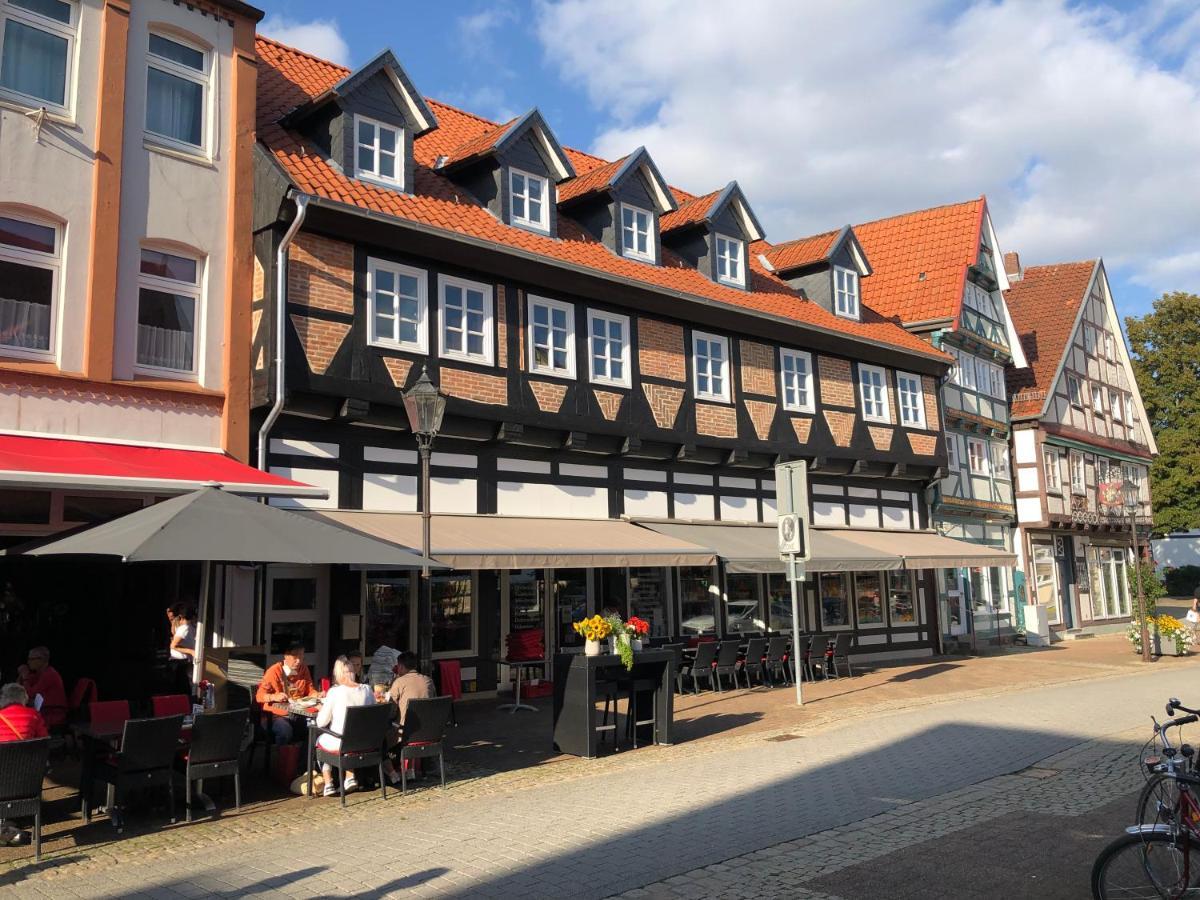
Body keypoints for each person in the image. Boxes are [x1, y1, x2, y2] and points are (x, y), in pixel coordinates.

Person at [315, 656, 374, 797]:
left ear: (337, 674)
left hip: (342, 742)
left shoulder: (334, 692)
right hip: (365, 741)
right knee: (349, 735)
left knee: (319, 739)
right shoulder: (367, 689)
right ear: (353, 671)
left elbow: (321, 722)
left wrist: (321, 708)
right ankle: (349, 777)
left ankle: (328, 782)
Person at [0, 683, 46, 848]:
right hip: (27, 783)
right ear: (23, 699)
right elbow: (44, 743)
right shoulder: (34, 716)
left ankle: (4, 827)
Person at [255, 644, 317, 744]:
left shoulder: (303, 669)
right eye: (295, 657)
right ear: (286, 656)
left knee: (314, 728)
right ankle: (281, 757)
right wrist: (274, 696)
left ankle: (303, 757)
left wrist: (317, 695)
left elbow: (310, 691)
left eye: (301, 656)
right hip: (275, 716)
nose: (299, 661)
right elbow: (259, 696)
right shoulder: (274, 671)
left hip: (297, 714)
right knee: (285, 731)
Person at [17, 646, 65, 729]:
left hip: (52, 713)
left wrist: (25, 676)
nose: (28, 662)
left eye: (31, 659)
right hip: (43, 711)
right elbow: (19, 687)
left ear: (42, 660)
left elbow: (30, 694)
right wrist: (22, 675)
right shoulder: (40, 673)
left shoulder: (49, 674)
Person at [167, 604, 196, 694]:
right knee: (183, 690)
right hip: (179, 662)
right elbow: (173, 646)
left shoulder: (188, 627)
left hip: (182, 662)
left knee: (183, 689)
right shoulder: (184, 628)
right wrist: (191, 651)